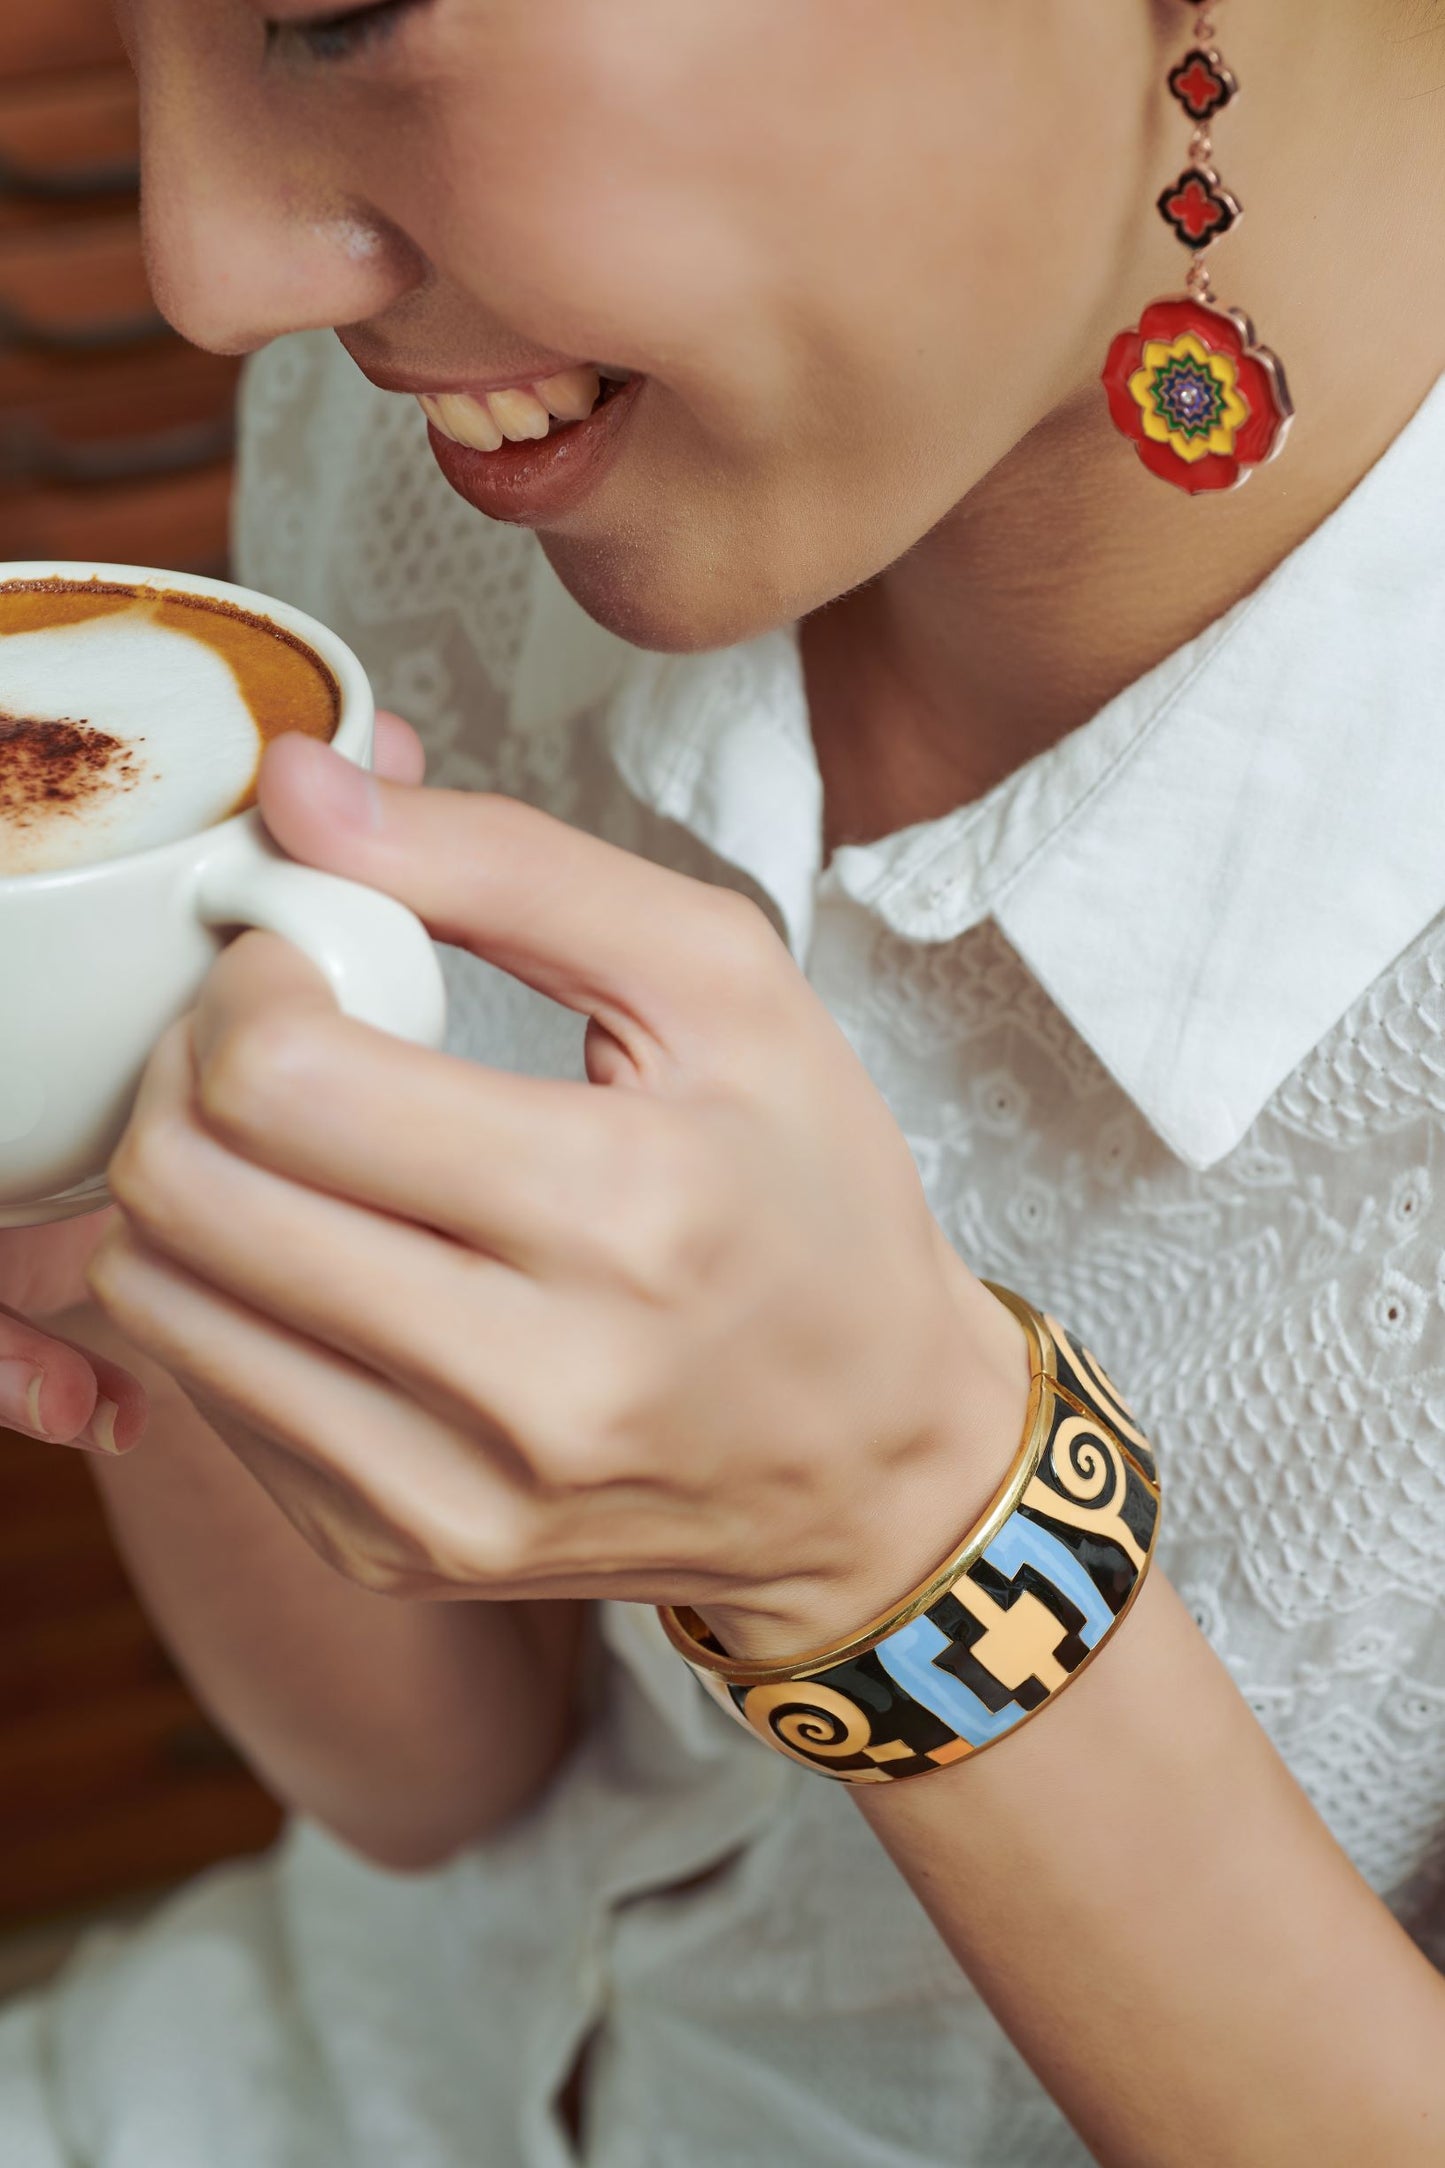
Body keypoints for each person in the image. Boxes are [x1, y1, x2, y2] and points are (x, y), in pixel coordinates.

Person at [2, 1, 1443, 2160]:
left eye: (338, 7)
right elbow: (450, 1785)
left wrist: (904, 1546)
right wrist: (99, 1169)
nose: (211, 270)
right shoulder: (462, 421)